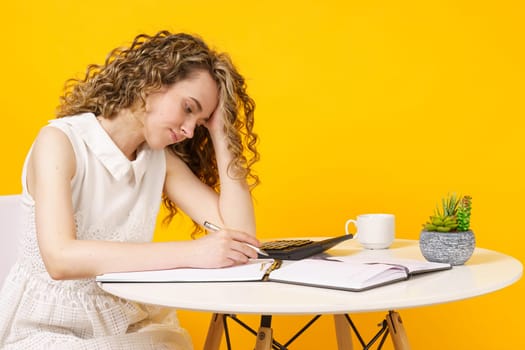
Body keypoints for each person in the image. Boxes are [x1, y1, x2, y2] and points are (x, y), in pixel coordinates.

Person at [0, 30, 261, 349]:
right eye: (189, 108)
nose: (190, 130)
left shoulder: (158, 161)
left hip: (124, 320)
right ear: (152, 82)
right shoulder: (60, 143)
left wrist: (222, 131)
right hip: (46, 327)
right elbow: (60, 259)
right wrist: (193, 253)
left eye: (200, 121)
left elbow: (240, 234)